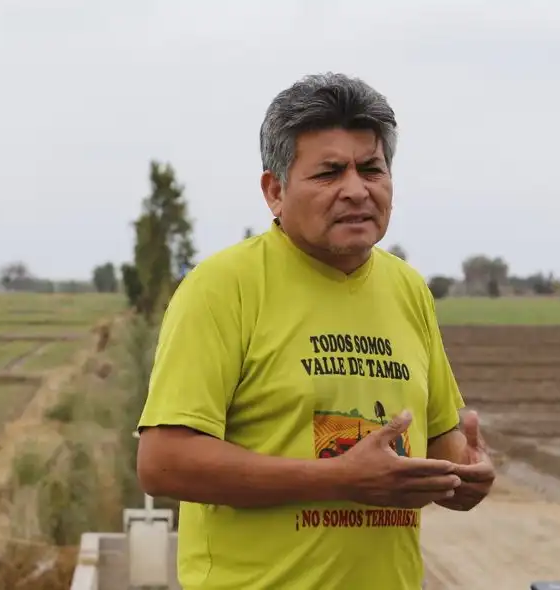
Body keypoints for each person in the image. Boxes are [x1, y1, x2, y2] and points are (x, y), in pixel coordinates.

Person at [135, 72, 495, 590]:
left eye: (372, 169)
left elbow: (441, 441)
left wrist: (466, 474)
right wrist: (337, 479)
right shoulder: (222, 288)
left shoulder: (408, 289)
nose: (356, 189)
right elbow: (164, 463)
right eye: (329, 173)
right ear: (275, 191)